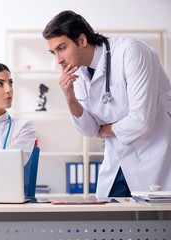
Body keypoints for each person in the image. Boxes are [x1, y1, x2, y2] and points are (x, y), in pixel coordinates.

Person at [42, 10, 171, 197]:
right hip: (118, 158)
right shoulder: (76, 71)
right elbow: (89, 130)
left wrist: (105, 130)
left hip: (154, 155)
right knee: (108, 218)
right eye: (53, 52)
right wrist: (69, 98)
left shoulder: (131, 51)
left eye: (62, 48)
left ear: (82, 40)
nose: (58, 59)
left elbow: (142, 120)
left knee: (152, 223)